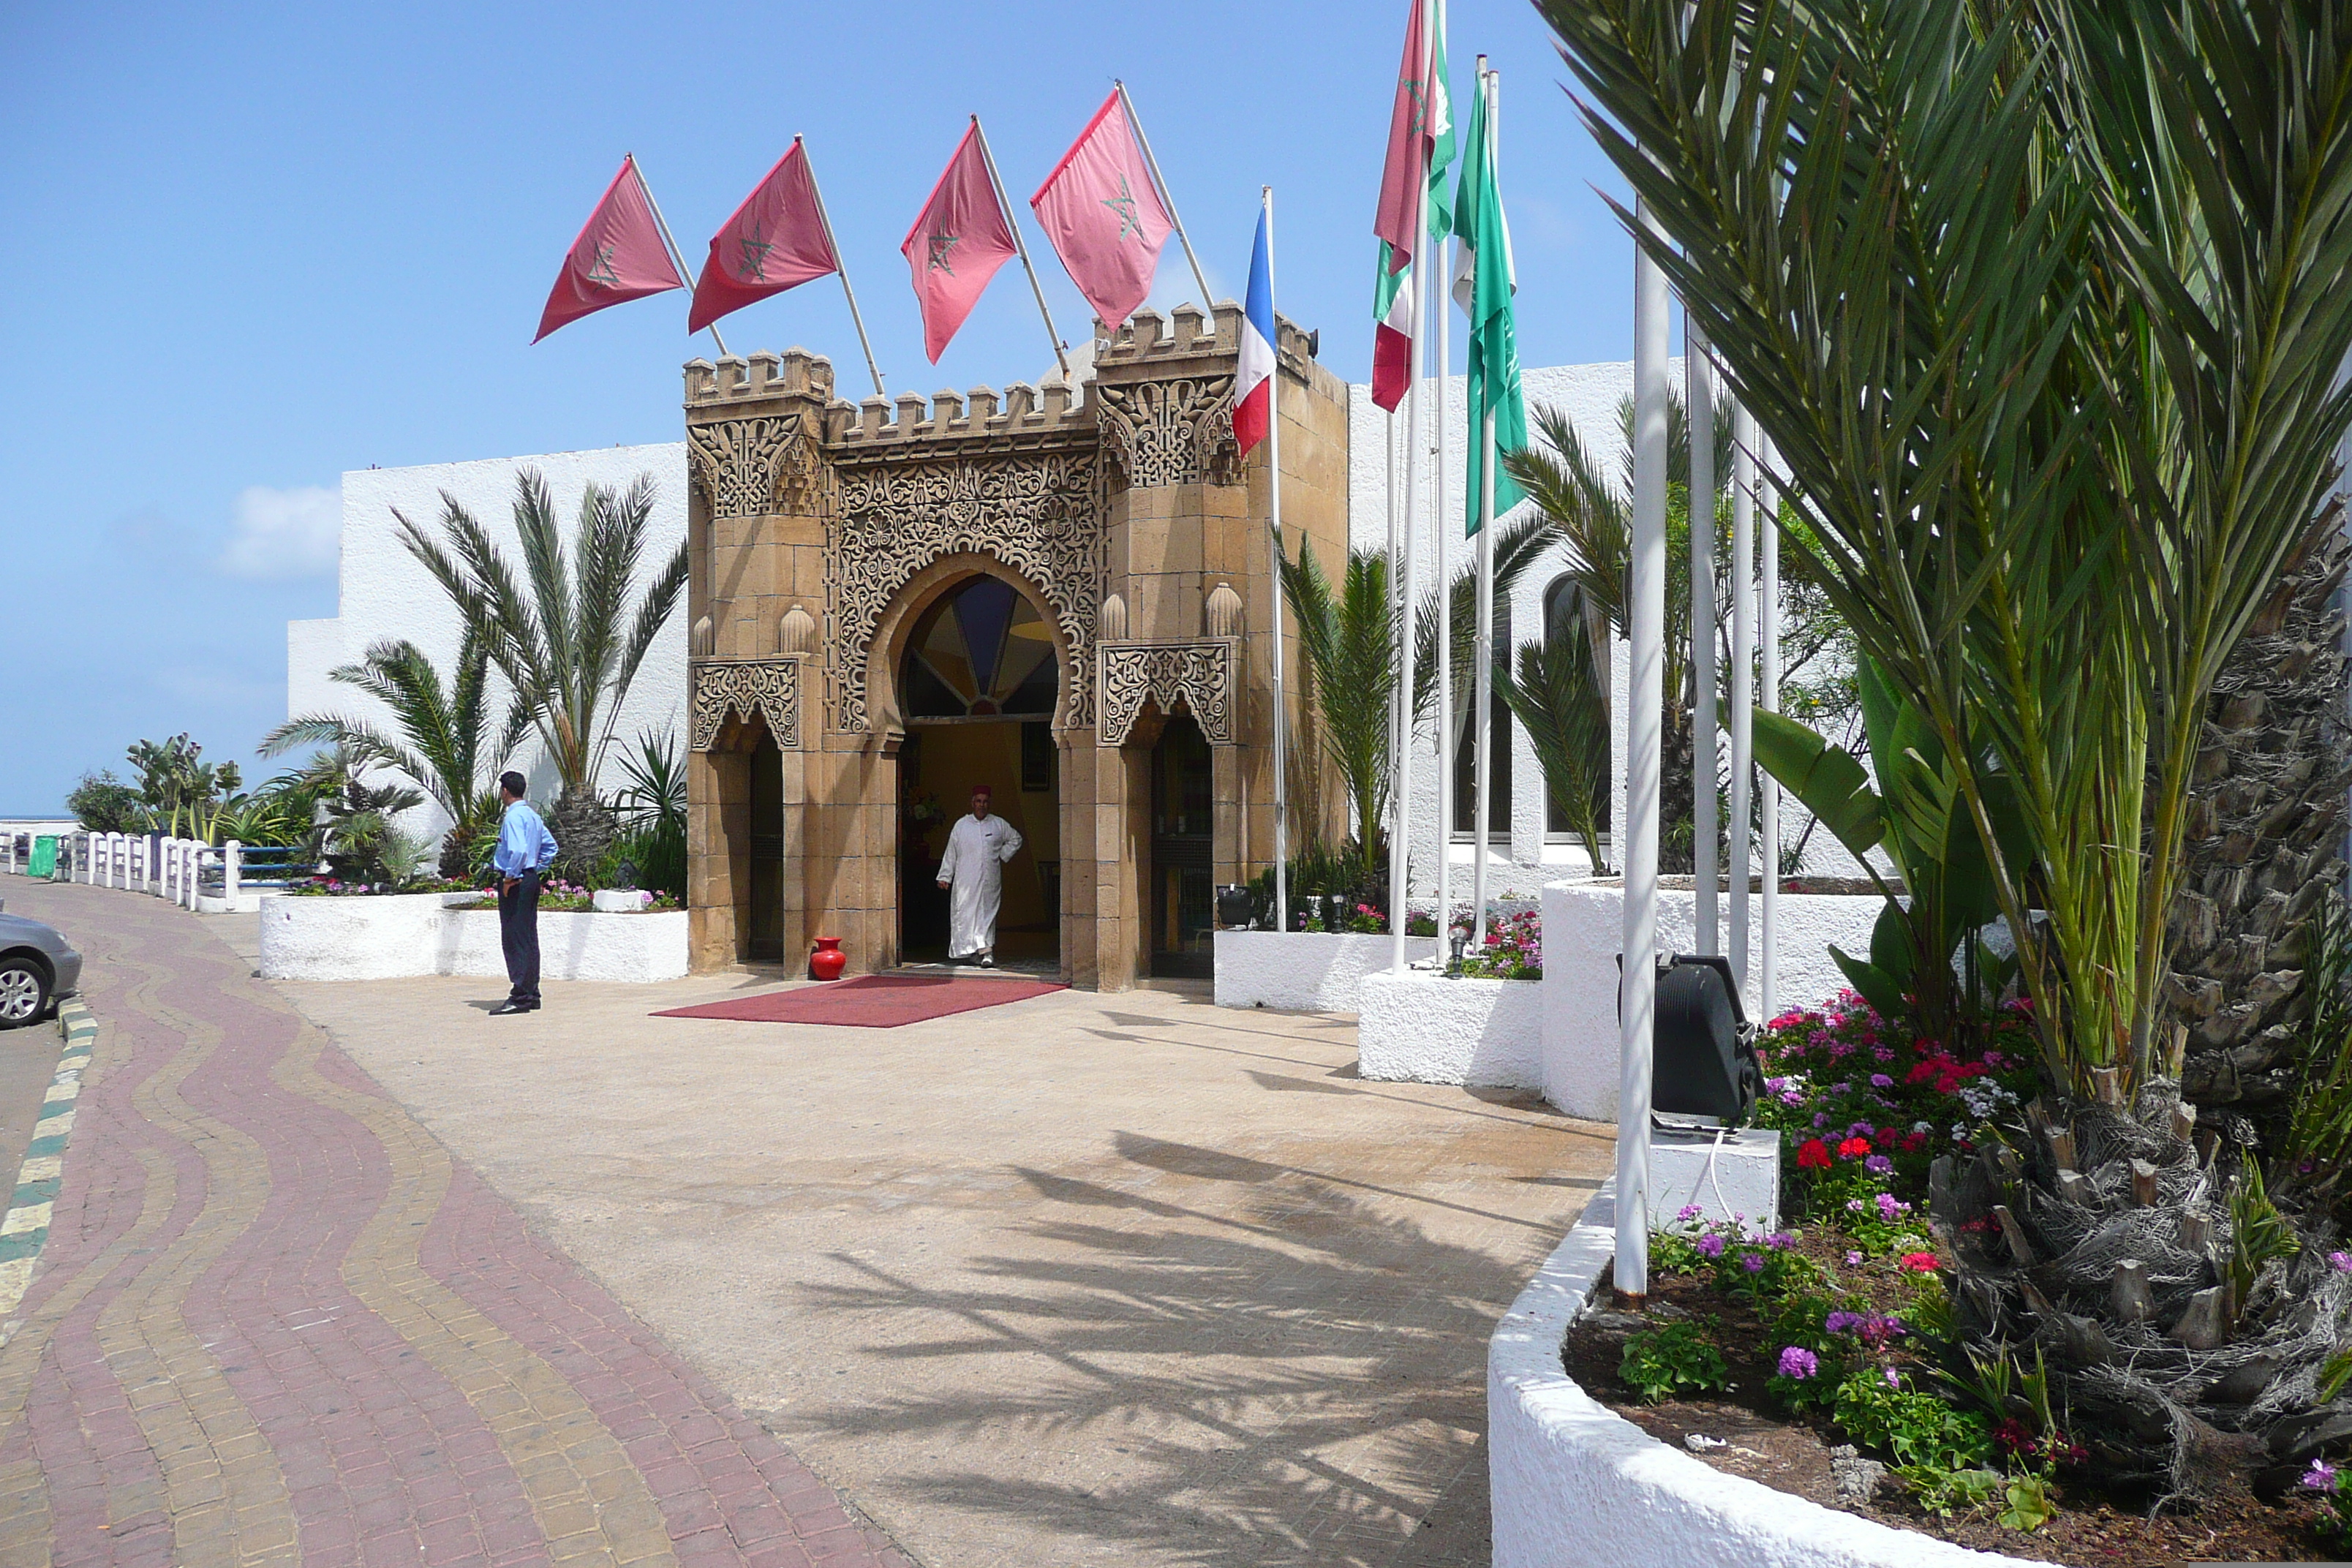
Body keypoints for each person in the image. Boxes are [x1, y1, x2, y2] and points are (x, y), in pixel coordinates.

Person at [489, 771, 558, 1014]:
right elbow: (550, 847)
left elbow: (517, 851)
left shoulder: (513, 818)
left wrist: (511, 877)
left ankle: (521, 995)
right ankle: (531, 993)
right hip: (529, 879)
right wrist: (534, 869)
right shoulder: (532, 816)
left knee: (515, 937)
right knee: (528, 936)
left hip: (517, 882)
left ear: (505, 791)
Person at [936, 785, 1022, 967]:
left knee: (987, 915)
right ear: (972, 803)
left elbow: (1016, 839)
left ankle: (986, 951)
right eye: (978, 801)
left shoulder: (998, 824)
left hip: (990, 880)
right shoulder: (961, 825)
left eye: (985, 802)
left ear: (989, 804)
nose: (981, 805)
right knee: (967, 915)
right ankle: (974, 951)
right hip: (966, 880)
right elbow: (951, 852)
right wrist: (945, 876)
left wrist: (1002, 855)